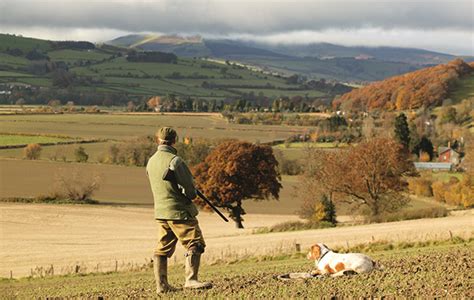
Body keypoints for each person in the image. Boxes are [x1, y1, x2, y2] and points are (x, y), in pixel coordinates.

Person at [146, 127, 212, 293]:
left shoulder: (151, 161)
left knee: (162, 248)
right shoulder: (175, 161)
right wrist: (191, 191)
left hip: (161, 212)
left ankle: (161, 286)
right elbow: (190, 192)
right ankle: (191, 280)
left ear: (158, 140)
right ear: (175, 140)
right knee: (195, 243)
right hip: (179, 212)